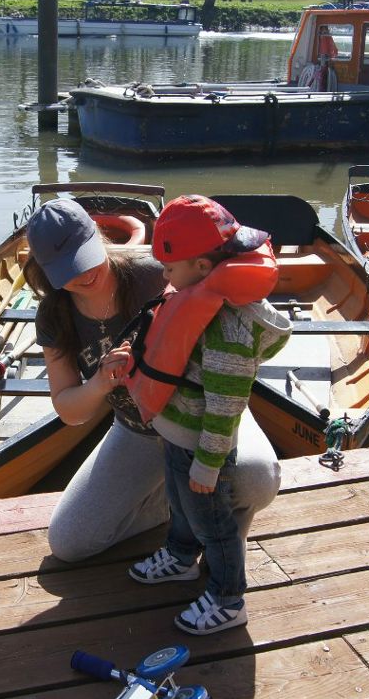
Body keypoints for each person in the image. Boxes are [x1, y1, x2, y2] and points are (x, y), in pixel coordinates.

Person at [24, 198, 282, 566]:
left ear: (98, 236)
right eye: (66, 270)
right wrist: (99, 382)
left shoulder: (160, 274)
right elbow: (69, 411)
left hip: (203, 416)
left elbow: (243, 323)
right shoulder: (54, 314)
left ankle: (212, 529)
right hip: (137, 430)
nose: (82, 276)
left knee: (258, 478)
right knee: (70, 543)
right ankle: (184, 508)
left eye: (84, 257)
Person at [125, 195, 290, 634]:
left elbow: (226, 405)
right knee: (179, 507)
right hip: (179, 436)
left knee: (214, 526)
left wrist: (209, 462)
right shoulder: (194, 293)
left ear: (201, 266)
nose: (163, 276)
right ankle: (180, 558)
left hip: (203, 446)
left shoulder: (230, 328)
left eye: (170, 268)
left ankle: (228, 597)